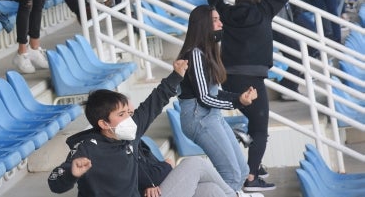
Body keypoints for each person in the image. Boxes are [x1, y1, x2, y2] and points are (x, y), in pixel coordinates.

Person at [49, 60, 258, 197]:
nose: (129, 119)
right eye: (121, 115)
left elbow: (153, 103)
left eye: (128, 113)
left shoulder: (127, 135)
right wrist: (71, 173)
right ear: (103, 124)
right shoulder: (88, 148)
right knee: (194, 163)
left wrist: (176, 76)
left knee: (209, 191)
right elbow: (55, 183)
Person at [203, 0, 313, 192]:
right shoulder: (264, 10)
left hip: (229, 80)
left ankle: (252, 158)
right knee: (260, 128)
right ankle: (251, 178)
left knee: (252, 121)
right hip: (252, 80)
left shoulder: (226, 13)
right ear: (254, 0)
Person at [178, 5, 259, 192]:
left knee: (242, 170)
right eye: (215, 20)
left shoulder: (207, 52)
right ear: (203, 24)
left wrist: (240, 96)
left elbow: (215, 93)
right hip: (199, 117)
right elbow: (204, 98)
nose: (221, 23)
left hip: (211, 115)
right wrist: (238, 102)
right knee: (230, 175)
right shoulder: (194, 54)